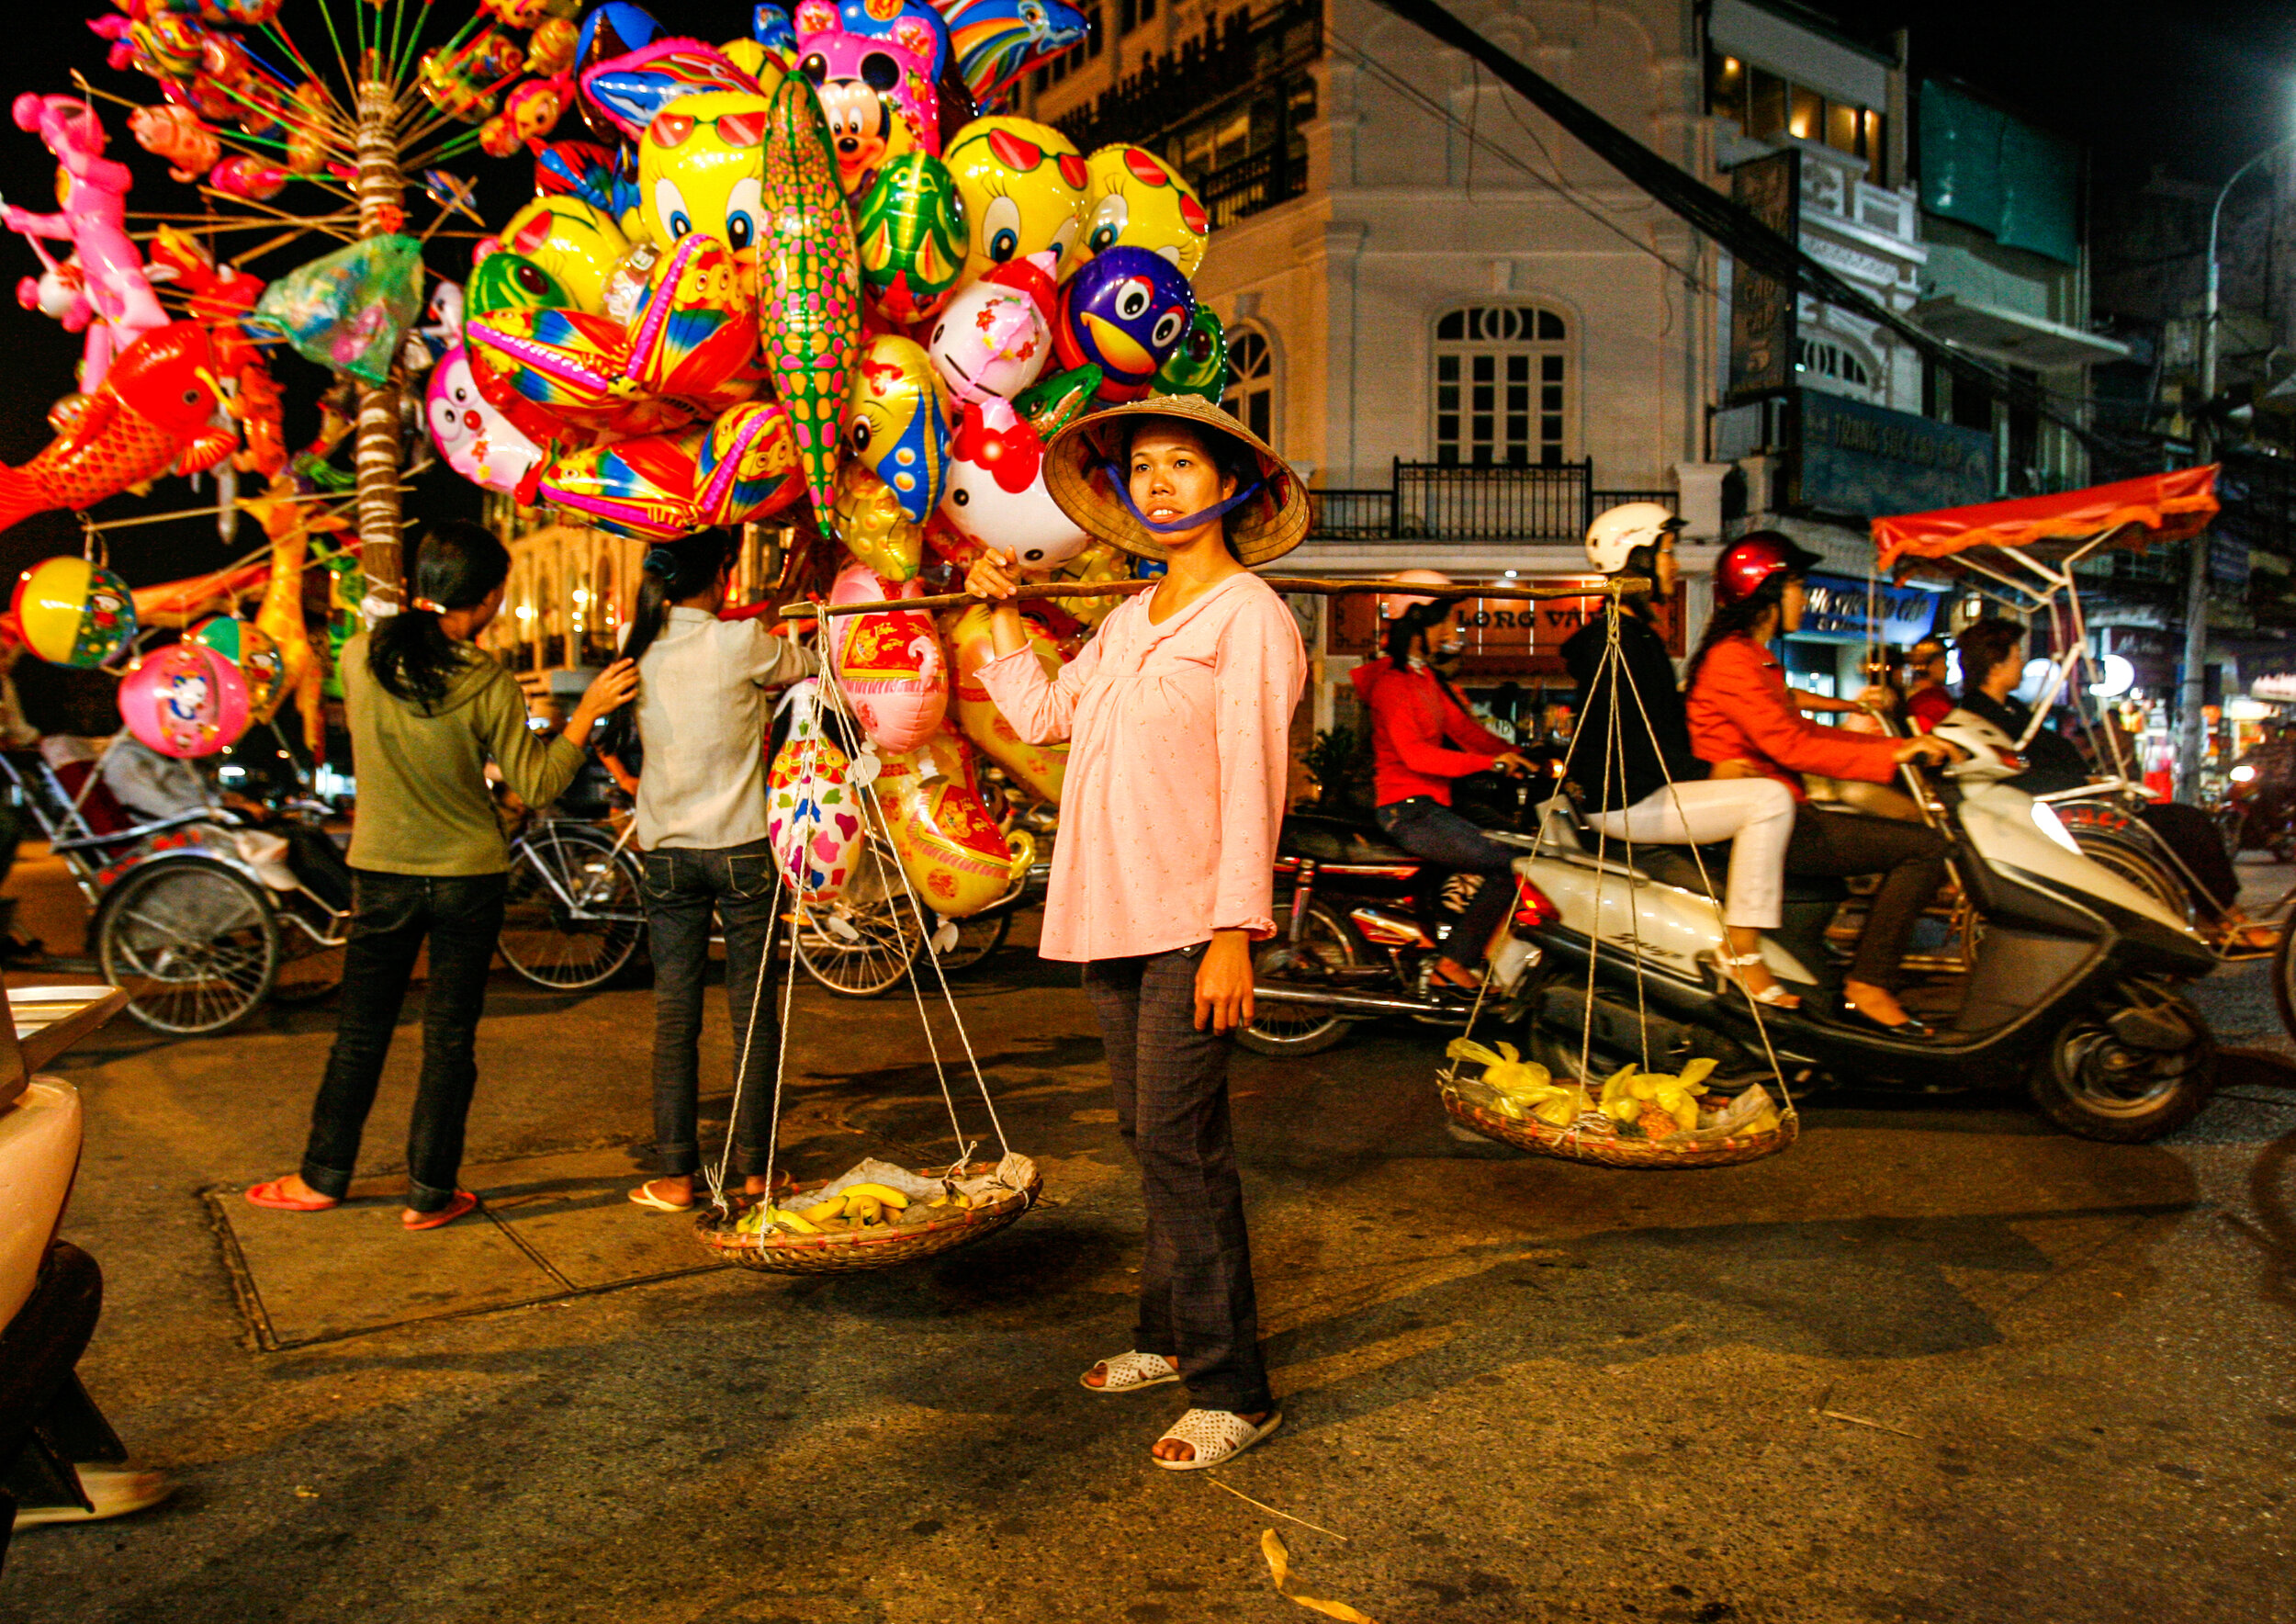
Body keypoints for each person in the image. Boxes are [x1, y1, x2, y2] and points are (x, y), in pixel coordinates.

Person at [969, 392, 1305, 1472]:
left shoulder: (1249, 617)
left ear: (1229, 487)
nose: (1157, 482)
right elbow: (1039, 718)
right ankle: (1166, 1336)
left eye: (1182, 465)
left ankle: (1233, 1386)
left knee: (1181, 1145)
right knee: (1145, 1136)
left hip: (1187, 918)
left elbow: (1258, 777)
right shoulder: (1128, 617)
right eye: (1143, 467)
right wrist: (1002, 617)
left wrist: (1232, 931)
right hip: (1108, 910)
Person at [245, 522, 637, 1230]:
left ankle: (323, 1177)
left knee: (359, 1035)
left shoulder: (360, 658)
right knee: (449, 1039)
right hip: (468, 878)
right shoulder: (485, 677)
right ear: (486, 600)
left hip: (383, 874)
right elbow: (539, 783)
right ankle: (429, 1192)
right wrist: (583, 718)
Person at [1685, 533, 1960, 1035]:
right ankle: (1869, 984)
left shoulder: (1754, 656)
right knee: (1925, 848)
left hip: (1784, 809)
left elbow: (1801, 726)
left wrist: (1886, 744)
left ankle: (1834, 971)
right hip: (1762, 820)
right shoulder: (1732, 659)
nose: (1803, 598)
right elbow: (1790, 745)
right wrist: (1896, 752)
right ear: (1766, 590)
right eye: (1796, 586)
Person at [619, 532, 816, 1214]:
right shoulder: (740, 645)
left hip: (667, 855)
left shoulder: (636, 642)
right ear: (721, 574)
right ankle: (756, 1174)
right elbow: (808, 661)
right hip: (741, 850)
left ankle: (676, 1176)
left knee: (676, 1017)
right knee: (752, 1014)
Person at [1559, 503, 1803, 1007]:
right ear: (1638, 559)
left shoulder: (1638, 636)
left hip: (1641, 791)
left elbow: (1661, 720)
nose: (1673, 565)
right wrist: (1705, 770)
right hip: (1625, 800)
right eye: (1667, 554)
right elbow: (1635, 733)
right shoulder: (1618, 641)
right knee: (1770, 801)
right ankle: (1741, 954)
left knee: (1767, 796)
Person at [1951, 617, 2274, 952]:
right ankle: (2226, 918)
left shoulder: (2012, 709)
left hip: (2076, 799)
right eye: (2016, 654)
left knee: (2187, 820)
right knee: (2185, 825)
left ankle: (2221, 916)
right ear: (1997, 663)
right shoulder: (1980, 715)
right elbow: (2014, 772)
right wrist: (2084, 782)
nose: (2022, 662)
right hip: (2056, 811)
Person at [1351, 569, 1535, 991]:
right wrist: (1491, 765)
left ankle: (1467, 947)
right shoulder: (1393, 686)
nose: (1455, 630)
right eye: (1447, 620)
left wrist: (1523, 756)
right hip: (1407, 810)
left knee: (1512, 848)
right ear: (1420, 622)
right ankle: (1453, 963)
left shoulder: (1423, 678)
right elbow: (1416, 755)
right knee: (1508, 866)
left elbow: (1466, 732)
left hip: (1431, 805)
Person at [1904, 636, 1953, 732]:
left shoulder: (1916, 696)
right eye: (1943, 663)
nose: (1946, 668)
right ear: (1930, 666)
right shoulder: (1932, 702)